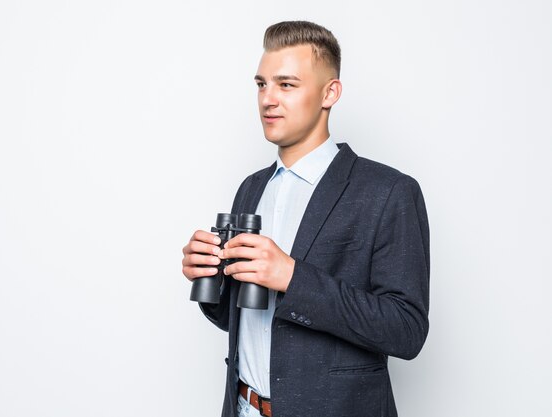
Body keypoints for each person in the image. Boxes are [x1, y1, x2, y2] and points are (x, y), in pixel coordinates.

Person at [181, 20, 430, 417]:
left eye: (286, 84)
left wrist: (293, 278)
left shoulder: (388, 192)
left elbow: (406, 330)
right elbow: (255, 327)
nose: (268, 100)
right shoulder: (251, 188)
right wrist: (208, 279)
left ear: (329, 93)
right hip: (243, 408)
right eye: (261, 84)